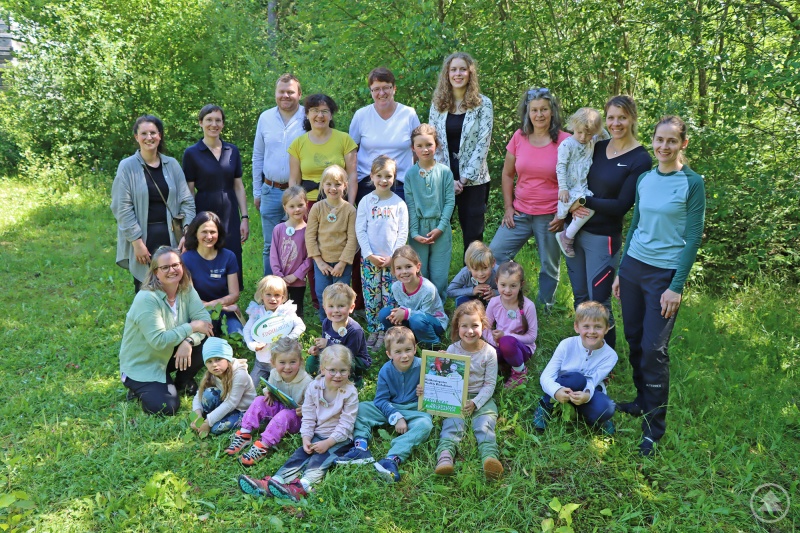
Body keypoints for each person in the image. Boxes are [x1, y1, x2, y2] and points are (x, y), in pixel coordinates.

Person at [613, 115, 705, 456]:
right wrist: (622, 270)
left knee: (654, 348)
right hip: (634, 267)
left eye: (671, 141)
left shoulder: (692, 183)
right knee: (634, 339)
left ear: (683, 144)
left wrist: (676, 286)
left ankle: (655, 426)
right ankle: (641, 400)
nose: (663, 146)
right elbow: (635, 224)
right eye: (659, 140)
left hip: (664, 275)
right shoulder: (645, 179)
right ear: (652, 141)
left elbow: (693, 237)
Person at [564, 95, 652, 350]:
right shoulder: (597, 146)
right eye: (611, 117)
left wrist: (582, 202)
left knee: (599, 303)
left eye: (622, 117)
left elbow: (621, 206)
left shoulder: (640, 159)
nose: (616, 123)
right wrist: (566, 209)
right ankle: (583, 354)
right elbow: (574, 173)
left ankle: (607, 361)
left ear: (632, 118)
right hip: (575, 232)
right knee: (580, 299)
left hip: (604, 239)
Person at [237, 345, 358, 502]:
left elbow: (346, 424)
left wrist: (328, 443)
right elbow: (308, 415)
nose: (338, 375)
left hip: (339, 439)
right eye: (332, 370)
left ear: (349, 370)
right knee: (299, 455)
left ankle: (301, 487)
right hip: (316, 434)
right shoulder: (315, 387)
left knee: (318, 461)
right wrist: (306, 437)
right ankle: (274, 482)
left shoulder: (350, 393)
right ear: (322, 369)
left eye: (343, 371)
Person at [488, 88, 570, 308]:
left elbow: (575, 181)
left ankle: (546, 307)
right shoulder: (519, 137)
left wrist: (564, 214)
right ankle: (503, 297)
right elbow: (507, 174)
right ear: (527, 112)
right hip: (520, 213)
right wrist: (508, 207)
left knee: (549, 264)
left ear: (552, 111)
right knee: (495, 253)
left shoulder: (566, 141)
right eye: (534, 110)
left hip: (551, 216)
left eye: (544, 109)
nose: (539, 114)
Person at [118, 247, 213, 414]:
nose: (172, 270)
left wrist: (188, 341)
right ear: (156, 272)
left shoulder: (186, 289)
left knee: (210, 338)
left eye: (176, 265)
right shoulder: (147, 298)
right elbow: (159, 341)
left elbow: (205, 322)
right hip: (144, 365)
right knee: (166, 407)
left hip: (169, 353)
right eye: (165, 267)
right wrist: (191, 327)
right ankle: (136, 388)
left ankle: (183, 381)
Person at [335, 326, 433, 483]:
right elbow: (380, 400)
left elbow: (439, 386)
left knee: (425, 424)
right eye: (398, 352)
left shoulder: (425, 365)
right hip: (390, 407)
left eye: (408, 350)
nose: (405, 356)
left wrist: (428, 386)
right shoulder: (385, 371)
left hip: (415, 410)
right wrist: (396, 417)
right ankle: (361, 447)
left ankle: (392, 458)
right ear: (389, 354)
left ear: (415, 349)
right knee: (360, 408)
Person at [112, 115, 195, 293]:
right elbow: (122, 207)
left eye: (153, 133)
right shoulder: (127, 167)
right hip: (144, 241)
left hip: (173, 239)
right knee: (146, 290)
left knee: (175, 287)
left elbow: (187, 201)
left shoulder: (171, 165)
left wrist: (187, 233)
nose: (149, 137)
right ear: (136, 137)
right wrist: (136, 242)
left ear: (160, 135)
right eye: (144, 133)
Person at [428, 52, 493, 264]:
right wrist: (448, 178)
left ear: (470, 73)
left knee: (473, 235)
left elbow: (483, 144)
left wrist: (463, 179)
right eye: (453, 69)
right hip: (443, 178)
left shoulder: (483, 104)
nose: (458, 74)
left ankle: (476, 284)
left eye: (462, 69)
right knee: (437, 231)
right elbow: (432, 142)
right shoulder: (438, 105)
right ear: (447, 73)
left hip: (474, 181)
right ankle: (438, 284)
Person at [431, 300, 502, 479]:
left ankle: (490, 458)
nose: (470, 331)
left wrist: (476, 403)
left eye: (475, 325)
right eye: (464, 326)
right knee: (452, 425)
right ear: (457, 326)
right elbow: (444, 381)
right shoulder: (452, 349)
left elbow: (489, 384)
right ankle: (445, 457)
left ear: (483, 326)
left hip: (482, 398)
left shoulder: (490, 352)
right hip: (456, 396)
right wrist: (439, 364)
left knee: (484, 426)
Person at [182, 104, 248, 290]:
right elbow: (188, 191)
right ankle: (206, 297)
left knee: (232, 251)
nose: (214, 124)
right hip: (204, 209)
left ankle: (231, 298)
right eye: (209, 120)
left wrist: (244, 217)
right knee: (206, 251)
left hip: (230, 211)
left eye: (218, 120)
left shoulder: (232, 151)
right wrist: (189, 222)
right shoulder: (192, 153)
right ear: (201, 123)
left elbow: (238, 186)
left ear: (223, 124)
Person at [533, 301, 617, 435]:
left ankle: (587, 413)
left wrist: (587, 395)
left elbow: (594, 380)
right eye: (586, 326)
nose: (592, 332)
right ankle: (546, 404)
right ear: (577, 327)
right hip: (566, 384)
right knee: (577, 379)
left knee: (607, 408)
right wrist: (556, 391)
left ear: (607, 328)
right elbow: (546, 376)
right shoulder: (566, 345)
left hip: (589, 390)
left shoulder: (610, 356)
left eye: (598, 327)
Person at [226, 337, 312, 466]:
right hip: (280, 407)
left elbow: (315, 406)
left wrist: (305, 410)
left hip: (296, 418)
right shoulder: (274, 374)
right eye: (282, 362)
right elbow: (269, 387)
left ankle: (263, 445)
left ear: (300, 361)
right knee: (259, 400)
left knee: (285, 414)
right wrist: (268, 393)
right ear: (273, 362)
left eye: (292, 362)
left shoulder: (307, 382)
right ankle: (245, 433)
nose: (287, 367)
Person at [253, 73, 306, 276]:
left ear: (299, 94)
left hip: (298, 193)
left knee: (299, 244)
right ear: (275, 93)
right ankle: (271, 293)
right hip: (271, 190)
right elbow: (258, 155)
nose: (286, 96)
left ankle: (295, 292)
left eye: (290, 92)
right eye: (281, 92)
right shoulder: (265, 118)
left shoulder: (307, 117)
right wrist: (257, 191)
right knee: (270, 245)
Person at [355, 155, 409, 348]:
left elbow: (402, 232)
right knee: (371, 297)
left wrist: (393, 258)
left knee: (390, 297)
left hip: (392, 262)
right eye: (379, 175)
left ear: (395, 177)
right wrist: (369, 254)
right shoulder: (366, 202)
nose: (384, 180)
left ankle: (387, 330)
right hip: (370, 260)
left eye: (389, 176)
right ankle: (374, 329)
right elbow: (360, 229)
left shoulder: (399, 204)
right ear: (372, 176)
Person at [349, 67, 420, 203]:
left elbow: (418, 150)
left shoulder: (408, 114)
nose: (381, 93)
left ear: (394, 88)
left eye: (386, 87)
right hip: (367, 183)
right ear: (371, 91)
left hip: (401, 184)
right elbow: (351, 152)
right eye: (376, 89)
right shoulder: (361, 115)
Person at [404, 123, 455, 298]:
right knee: (420, 271)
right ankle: (422, 304)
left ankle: (439, 307)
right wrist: (414, 232)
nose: (425, 149)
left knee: (439, 272)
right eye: (420, 146)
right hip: (418, 229)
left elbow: (449, 202)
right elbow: (410, 205)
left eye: (429, 145)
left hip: (441, 227)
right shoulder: (410, 175)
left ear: (437, 145)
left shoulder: (445, 172)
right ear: (413, 148)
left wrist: (441, 227)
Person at [553, 107, 610, 257]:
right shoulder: (567, 145)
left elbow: (606, 136)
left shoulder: (592, 141)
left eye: (589, 133)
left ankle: (567, 236)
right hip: (570, 186)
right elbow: (561, 166)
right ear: (573, 127)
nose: (583, 137)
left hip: (582, 186)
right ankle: (567, 236)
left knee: (590, 205)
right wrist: (563, 188)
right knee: (581, 207)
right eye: (579, 132)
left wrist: (598, 128)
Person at [305, 165, 358, 323]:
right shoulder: (317, 208)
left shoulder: (350, 210)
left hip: (342, 263)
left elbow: (352, 238)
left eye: (337, 184)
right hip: (322, 262)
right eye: (328, 184)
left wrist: (342, 263)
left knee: (341, 296)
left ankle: (341, 325)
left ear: (345, 186)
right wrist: (319, 261)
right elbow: (310, 236)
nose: (333, 188)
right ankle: (326, 325)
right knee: (323, 294)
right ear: (322, 186)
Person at [181, 211, 243, 338]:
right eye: (204, 231)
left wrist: (218, 307)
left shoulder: (228, 256)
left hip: (226, 311)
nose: (209, 236)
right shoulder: (186, 259)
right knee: (205, 342)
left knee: (238, 337)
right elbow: (191, 298)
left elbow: (234, 294)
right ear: (195, 233)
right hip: (199, 312)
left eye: (213, 232)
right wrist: (221, 306)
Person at [288, 94, 357, 203]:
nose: (320, 115)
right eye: (315, 110)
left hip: (338, 202)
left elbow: (352, 176)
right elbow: (294, 180)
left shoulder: (345, 140)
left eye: (325, 111)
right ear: (307, 114)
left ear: (331, 115)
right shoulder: (297, 144)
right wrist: (296, 205)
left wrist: (350, 205)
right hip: (307, 204)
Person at [379, 246, 448, 350]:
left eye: (408, 266)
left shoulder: (428, 289)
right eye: (399, 268)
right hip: (411, 319)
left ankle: (433, 346)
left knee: (417, 320)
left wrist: (406, 313)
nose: (404, 272)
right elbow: (401, 305)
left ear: (418, 267)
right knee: (384, 313)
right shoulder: (396, 287)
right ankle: (403, 340)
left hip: (433, 322)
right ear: (393, 271)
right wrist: (396, 314)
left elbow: (425, 314)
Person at [242, 275, 306, 386]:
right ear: (261, 295)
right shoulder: (257, 312)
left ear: (283, 296)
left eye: (277, 295)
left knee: (283, 389)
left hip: (282, 363)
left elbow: (300, 326)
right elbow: (247, 330)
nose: (273, 299)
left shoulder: (286, 312)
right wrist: (252, 345)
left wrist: (288, 338)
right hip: (261, 361)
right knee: (251, 387)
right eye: (268, 294)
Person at [484, 261, 537, 389]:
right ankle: (504, 365)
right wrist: (494, 341)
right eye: (503, 285)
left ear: (521, 285)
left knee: (507, 342)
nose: (507, 290)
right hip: (498, 344)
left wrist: (505, 336)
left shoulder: (528, 306)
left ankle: (520, 372)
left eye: (513, 286)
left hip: (521, 348)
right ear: (496, 282)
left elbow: (532, 336)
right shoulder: (493, 302)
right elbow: (485, 328)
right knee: (484, 355)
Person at [306, 283, 370, 388]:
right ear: (325, 308)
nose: (336, 310)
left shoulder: (354, 330)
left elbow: (349, 355)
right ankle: (327, 375)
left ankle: (354, 378)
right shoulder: (327, 322)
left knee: (346, 366)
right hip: (333, 355)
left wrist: (328, 344)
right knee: (311, 362)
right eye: (331, 306)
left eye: (341, 306)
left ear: (351, 307)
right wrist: (318, 350)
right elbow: (324, 342)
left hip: (355, 360)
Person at [190, 337, 256, 436]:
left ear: (227, 358)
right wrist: (197, 416)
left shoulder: (240, 375)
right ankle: (209, 418)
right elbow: (198, 395)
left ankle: (214, 419)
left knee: (216, 428)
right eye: (209, 361)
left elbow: (231, 403)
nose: (214, 365)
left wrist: (208, 423)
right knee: (208, 394)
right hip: (225, 404)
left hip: (243, 410)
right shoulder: (212, 374)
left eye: (218, 359)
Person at [270, 186, 311, 318]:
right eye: (292, 206)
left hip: (297, 281)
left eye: (300, 205)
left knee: (296, 311)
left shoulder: (309, 230)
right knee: (279, 311)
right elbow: (273, 255)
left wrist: (296, 275)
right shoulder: (278, 229)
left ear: (307, 204)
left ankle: (295, 335)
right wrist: (279, 276)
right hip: (279, 280)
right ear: (285, 208)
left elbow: (310, 257)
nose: (296, 209)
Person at [446, 240, 498, 307]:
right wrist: (472, 291)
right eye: (476, 269)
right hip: (470, 298)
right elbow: (450, 291)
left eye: (485, 268)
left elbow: (513, 290)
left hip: (491, 299)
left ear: (493, 263)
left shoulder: (499, 272)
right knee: (461, 301)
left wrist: (495, 293)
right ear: (468, 267)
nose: (481, 274)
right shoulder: (465, 273)